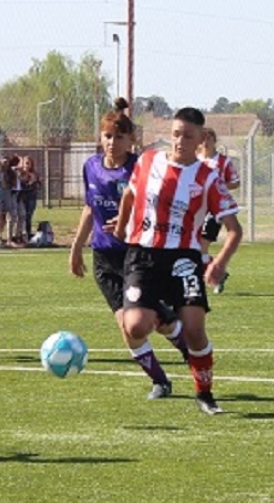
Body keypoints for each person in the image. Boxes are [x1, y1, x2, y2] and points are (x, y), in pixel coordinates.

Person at [115, 107, 242, 415]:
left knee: (195, 329)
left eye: (188, 135)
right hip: (142, 255)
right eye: (175, 134)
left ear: (201, 138)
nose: (180, 140)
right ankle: (159, 312)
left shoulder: (208, 177)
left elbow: (235, 230)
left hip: (183, 258)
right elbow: (130, 195)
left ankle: (205, 394)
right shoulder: (147, 161)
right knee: (134, 326)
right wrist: (121, 227)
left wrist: (220, 262)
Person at [69, 112, 189, 400]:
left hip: (137, 257)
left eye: (119, 137)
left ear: (131, 140)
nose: (112, 142)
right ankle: (160, 381)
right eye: (107, 136)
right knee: (127, 325)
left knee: (162, 323)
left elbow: (157, 210)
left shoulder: (140, 168)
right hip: (105, 260)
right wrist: (76, 248)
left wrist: (128, 223)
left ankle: (189, 350)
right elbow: (89, 209)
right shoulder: (91, 167)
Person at [198, 128, 241, 294]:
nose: (205, 142)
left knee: (201, 247)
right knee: (197, 249)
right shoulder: (195, 160)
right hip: (196, 209)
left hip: (214, 210)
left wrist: (218, 186)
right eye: (202, 139)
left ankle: (212, 274)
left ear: (214, 141)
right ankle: (218, 274)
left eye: (208, 139)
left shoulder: (223, 161)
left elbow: (235, 182)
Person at [19, 155, 42, 241]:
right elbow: (20, 185)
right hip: (22, 198)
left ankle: (27, 234)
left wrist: (34, 182)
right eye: (26, 163)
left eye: (29, 163)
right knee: (22, 216)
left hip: (31, 197)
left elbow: (39, 185)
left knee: (28, 216)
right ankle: (20, 234)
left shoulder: (34, 174)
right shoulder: (20, 174)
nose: (27, 165)